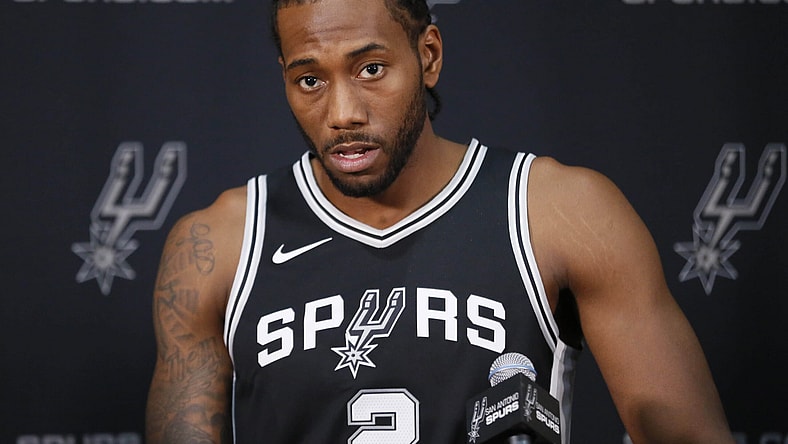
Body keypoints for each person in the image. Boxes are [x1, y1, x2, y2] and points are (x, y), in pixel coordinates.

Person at [145, 0, 734, 442]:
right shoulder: (220, 244)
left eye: (370, 68)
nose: (342, 113)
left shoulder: (558, 211)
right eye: (310, 80)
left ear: (428, 55)